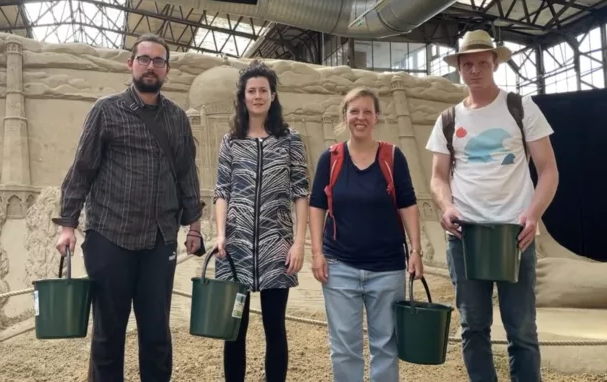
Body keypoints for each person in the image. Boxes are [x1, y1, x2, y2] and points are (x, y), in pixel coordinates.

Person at [52, 32, 203, 382]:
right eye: (144, 59)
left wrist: (193, 225)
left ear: (167, 70)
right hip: (110, 237)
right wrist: (68, 225)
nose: (151, 66)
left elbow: (186, 174)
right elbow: (82, 169)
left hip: (159, 240)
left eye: (158, 61)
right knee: (108, 333)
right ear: (130, 64)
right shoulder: (106, 110)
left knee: (156, 333)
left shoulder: (177, 119)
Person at [426, 29, 559, 382]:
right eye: (467, 63)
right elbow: (438, 176)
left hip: (514, 233)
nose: (474, 70)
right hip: (465, 234)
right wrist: (446, 207)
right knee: (473, 326)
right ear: (459, 68)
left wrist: (533, 215)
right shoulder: (448, 120)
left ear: (495, 63)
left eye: (482, 62)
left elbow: (548, 170)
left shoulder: (521, 107)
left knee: (522, 330)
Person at [308, 87, 424, 382]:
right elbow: (317, 206)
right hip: (340, 266)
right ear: (345, 116)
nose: (361, 117)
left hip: (387, 268)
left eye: (367, 112)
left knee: (385, 345)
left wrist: (415, 250)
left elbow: (407, 204)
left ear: (377, 117)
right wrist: (317, 253)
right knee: (345, 347)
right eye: (354, 111)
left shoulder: (392, 157)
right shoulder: (330, 159)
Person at [212, 59, 310, 382]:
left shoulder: (290, 139)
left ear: (273, 95)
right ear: (243, 97)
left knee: (274, 327)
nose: (257, 96)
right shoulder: (231, 141)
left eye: (263, 90)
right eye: (251, 91)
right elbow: (222, 191)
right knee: (234, 329)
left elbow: (300, 191)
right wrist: (220, 234)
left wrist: (298, 243)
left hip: (276, 246)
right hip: (235, 248)